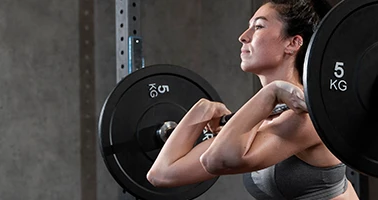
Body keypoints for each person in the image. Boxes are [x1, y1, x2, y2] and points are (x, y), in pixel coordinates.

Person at [145, 0, 359, 199]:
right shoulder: (262, 116)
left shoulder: (307, 114)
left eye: (258, 26)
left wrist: (270, 93)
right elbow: (162, 174)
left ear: (293, 43)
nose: (243, 36)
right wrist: (200, 111)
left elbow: (216, 160)